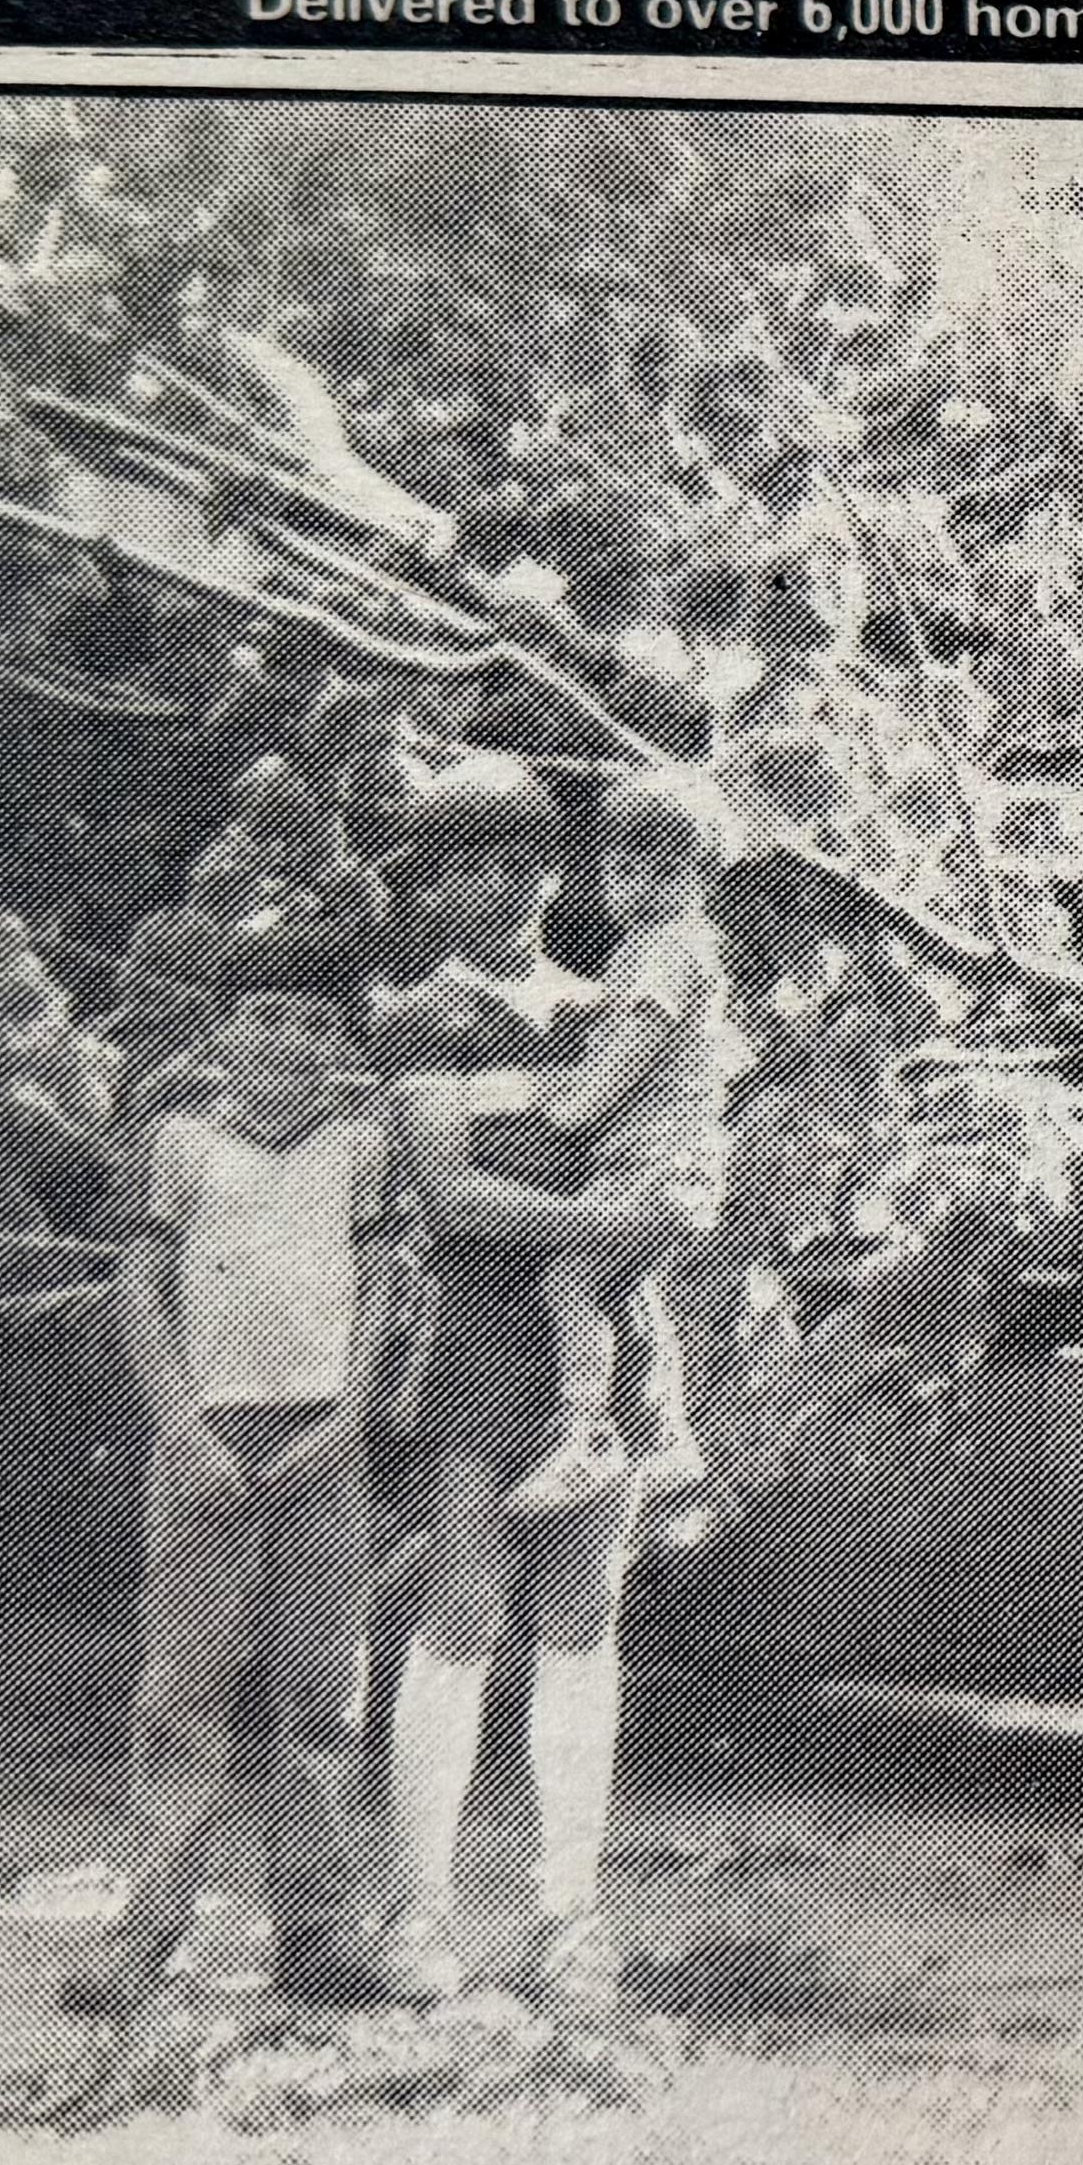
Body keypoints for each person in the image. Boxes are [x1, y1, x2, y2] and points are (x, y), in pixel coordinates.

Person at [361, 759, 697, 2018]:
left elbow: (674, 1127)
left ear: (562, 873)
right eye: (459, 867)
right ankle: (422, 1906)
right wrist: (611, 1215)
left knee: (582, 1613)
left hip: (601, 1327)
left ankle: (567, 1913)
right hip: (483, 1340)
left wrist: (639, 1230)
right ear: (428, 887)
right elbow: (451, 1193)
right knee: (461, 1604)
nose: (493, 890)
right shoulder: (421, 1018)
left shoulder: (620, 998)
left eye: (518, 863)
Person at [65, 913, 403, 2017]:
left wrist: (350, 1417)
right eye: (265, 1016)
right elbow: (139, 1288)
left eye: (316, 1023)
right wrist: (180, 1427)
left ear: (344, 1037)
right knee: (184, 1689)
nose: (289, 1042)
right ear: (221, 1028)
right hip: (204, 1440)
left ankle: (317, 1930)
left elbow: (380, 1289)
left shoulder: (362, 1142)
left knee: (320, 1690)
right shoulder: (181, 1140)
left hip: (321, 1444)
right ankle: (149, 1928)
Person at [494, 764, 735, 1531]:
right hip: (672, 1165)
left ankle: (585, 1433)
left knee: (569, 1274)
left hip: (654, 1160)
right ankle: (668, 1442)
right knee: (622, 1289)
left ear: (699, 876)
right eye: (626, 870)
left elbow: (638, 1041)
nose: (641, 887)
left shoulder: (665, 949)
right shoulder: (657, 946)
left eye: (665, 873)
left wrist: (571, 1109)